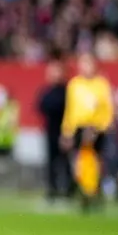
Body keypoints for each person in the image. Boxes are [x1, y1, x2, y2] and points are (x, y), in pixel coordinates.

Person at [61, 52, 115, 209]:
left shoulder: (101, 84)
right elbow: (70, 110)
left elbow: (107, 109)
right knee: (78, 161)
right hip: (79, 127)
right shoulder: (74, 85)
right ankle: (84, 190)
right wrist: (67, 131)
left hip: (96, 128)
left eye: (89, 64)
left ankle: (93, 191)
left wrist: (100, 127)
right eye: (83, 64)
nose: (85, 67)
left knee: (94, 160)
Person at [37, 61, 70, 200]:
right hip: (50, 131)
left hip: (64, 131)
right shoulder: (47, 91)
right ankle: (52, 188)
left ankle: (68, 188)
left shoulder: (67, 91)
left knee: (65, 161)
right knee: (51, 162)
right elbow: (41, 106)